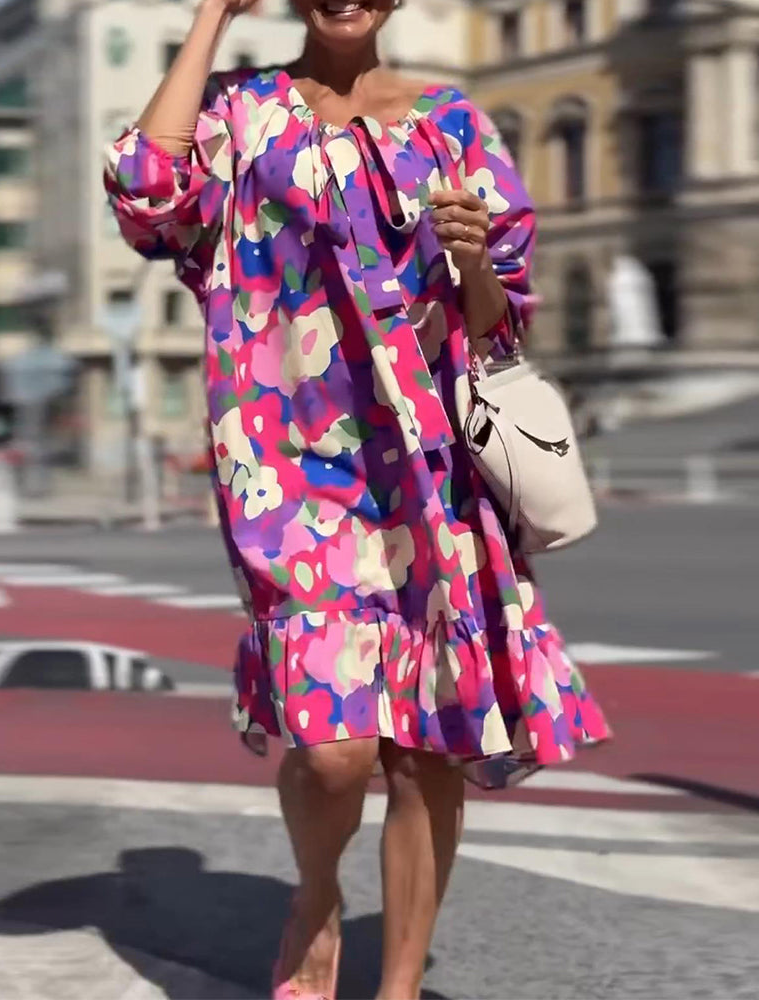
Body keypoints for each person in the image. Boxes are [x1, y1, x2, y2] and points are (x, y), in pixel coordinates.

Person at [105, 0, 611, 996]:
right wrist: (214, 11)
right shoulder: (236, 112)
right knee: (331, 749)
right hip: (290, 470)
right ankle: (315, 897)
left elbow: (495, 318)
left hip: (429, 467)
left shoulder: (448, 119)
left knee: (428, 743)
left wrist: (470, 258)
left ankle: (399, 983)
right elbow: (144, 191)